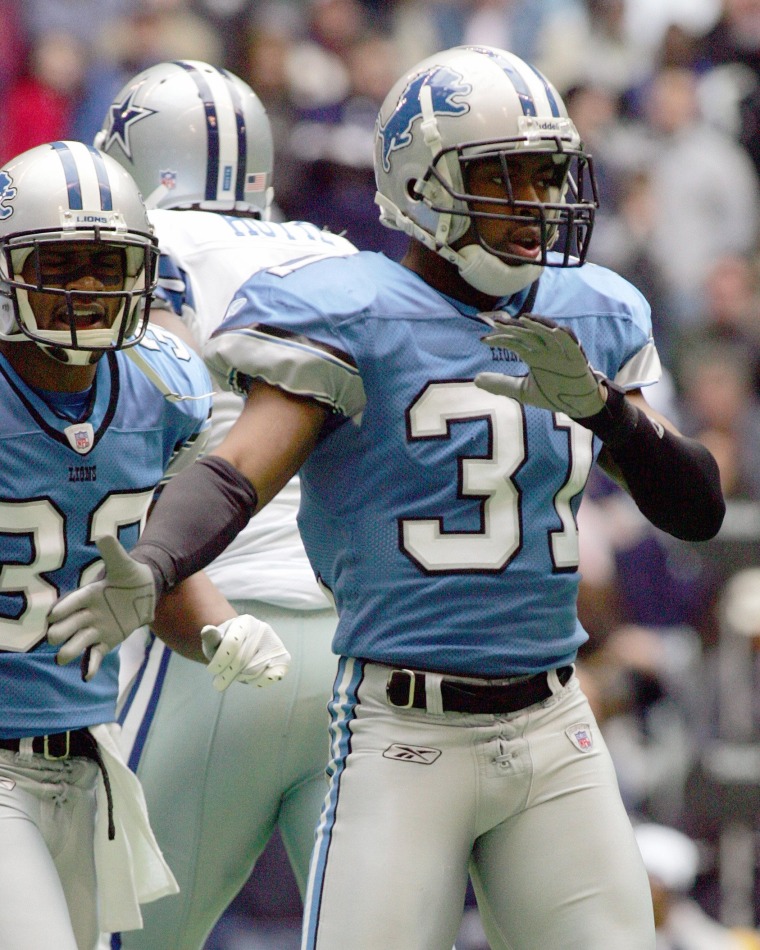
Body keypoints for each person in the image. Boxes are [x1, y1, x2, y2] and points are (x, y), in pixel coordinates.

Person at [48, 46, 726, 950]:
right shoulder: (349, 306)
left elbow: (697, 507)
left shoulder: (590, 309)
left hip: (557, 723)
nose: (534, 206)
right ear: (423, 183)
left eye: (546, 174)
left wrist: (606, 412)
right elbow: (238, 471)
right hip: (404, 729)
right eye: (504, 176)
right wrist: (159, 562)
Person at [88, 60, 358, 949]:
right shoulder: (334, 252)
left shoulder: (140, 250)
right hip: (351, 643)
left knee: (114, 935)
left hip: (208, 629)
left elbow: (132, 432)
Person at [0, 139, 288, 950]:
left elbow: (131, 578)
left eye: (109, 264)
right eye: (63, 262)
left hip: (88, 761)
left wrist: (219, 631)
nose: (89, 289)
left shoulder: (166, 386)